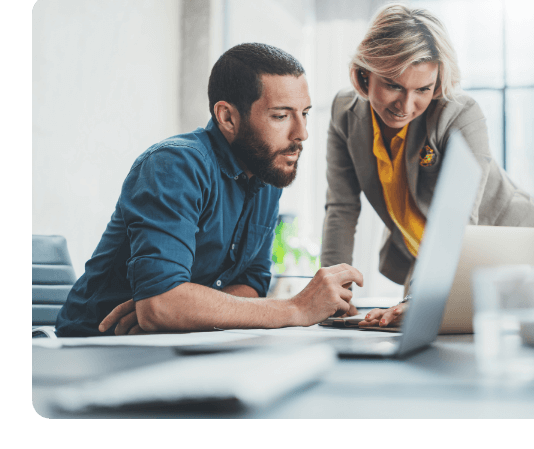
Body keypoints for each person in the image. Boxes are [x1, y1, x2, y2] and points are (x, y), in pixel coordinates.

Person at [55, 43, 362, 337]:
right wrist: (295, 308)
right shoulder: (174, 165)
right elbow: (160, 306)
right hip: (93, 345)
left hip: (180, 344)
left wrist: (184, 311)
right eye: (281, 116)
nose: (302, 133)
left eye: (304, 113)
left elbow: (251, 283)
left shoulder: (266, 173)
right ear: (228, 117)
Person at [320, 4, 534, 330]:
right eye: (393, 85)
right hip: (432, 263)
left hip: (513, 255)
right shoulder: (344, 113)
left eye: (423, 90)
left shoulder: (459, 115)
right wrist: (333, 293)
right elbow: (341, 208)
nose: (405, 106)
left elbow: (456, 224)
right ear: (365, 73)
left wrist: (419, 299)